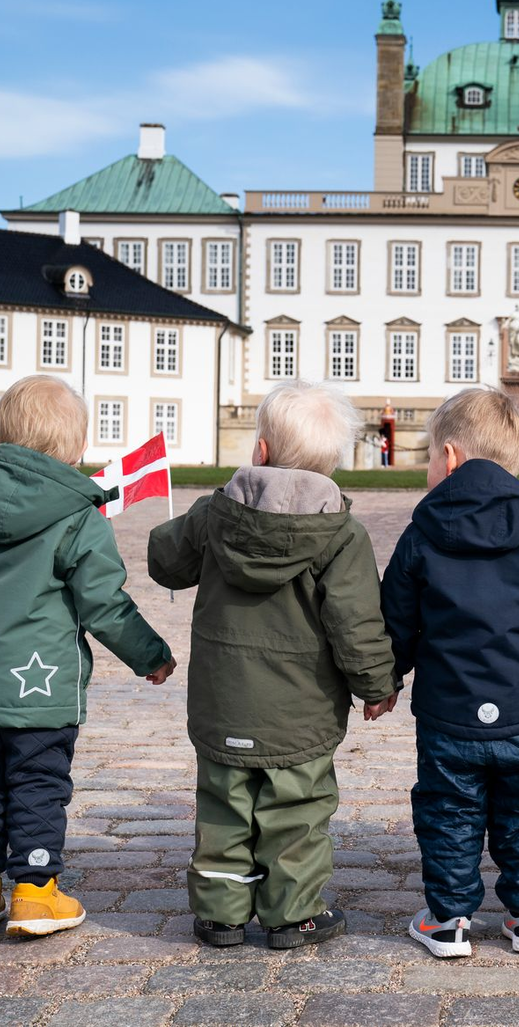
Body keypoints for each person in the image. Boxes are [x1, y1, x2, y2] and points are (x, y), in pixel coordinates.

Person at [148, 380, 396, 951]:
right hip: (300, 707)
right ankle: (291, 915)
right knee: (298, 810)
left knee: (223, 804)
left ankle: (220, 914)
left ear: (259, 451)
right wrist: (376, 685)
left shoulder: (216, 512)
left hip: (223, 699)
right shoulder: (342, 534)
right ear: (333, 463)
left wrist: (188, 528)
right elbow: (357, 622)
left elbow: (165, 561)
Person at [382, 387, 519, 958]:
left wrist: (387, 679)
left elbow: (396, 618)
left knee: (449, 814)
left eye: (428, 455)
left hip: (449, 714)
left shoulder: (422, 533)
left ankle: (449, 921)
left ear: (449, 458)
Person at [0, 376, 175, 937]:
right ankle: (36, 891)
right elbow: (104, 603)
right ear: (77, 449)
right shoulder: (78, 515)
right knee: (38, 782)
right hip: (41, 688)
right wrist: (150, 654)